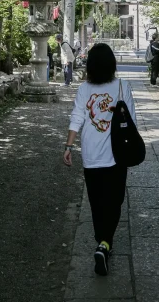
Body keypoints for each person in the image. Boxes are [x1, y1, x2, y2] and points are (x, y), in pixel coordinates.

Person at [63, 43, 136, 276]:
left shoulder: (84, 89)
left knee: (96, 202)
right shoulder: (123, 86)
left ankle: (101, 242)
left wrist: (68, 146)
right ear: (112, 64)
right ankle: (105, 243)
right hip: (117, 156)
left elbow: (77, 118)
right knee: (114, 201)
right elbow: (132, 120)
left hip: (91, 155)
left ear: (91, 65)